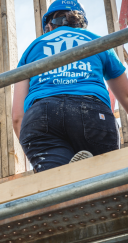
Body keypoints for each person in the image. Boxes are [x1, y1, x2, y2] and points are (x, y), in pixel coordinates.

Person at [12, 0, 128, 173]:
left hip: (42, 116)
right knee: (102, 182)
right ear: (81, 22)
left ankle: (62, 174)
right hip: (91, 113)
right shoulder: (96, 41)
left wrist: (35, 150)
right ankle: (87, 172)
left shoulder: (33, 48)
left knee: (57, 186)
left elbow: (17, 116)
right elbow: (126, 97)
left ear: (49, 24)